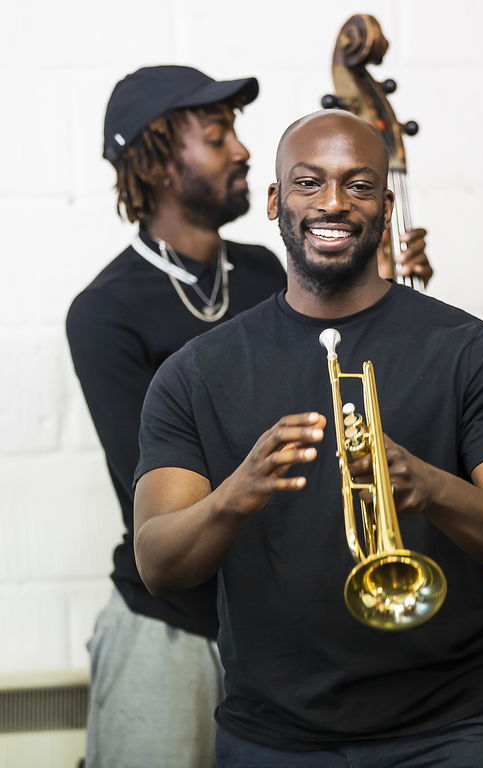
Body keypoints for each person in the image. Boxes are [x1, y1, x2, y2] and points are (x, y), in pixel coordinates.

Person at [133, 109, 483, 767]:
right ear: (275, 199)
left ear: (386, 207)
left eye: (358, 185)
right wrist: (233, 496)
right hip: (270, 738)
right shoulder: (194, 374)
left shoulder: (474, 354)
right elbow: (158, 565)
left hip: (453, 730)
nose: (332, 202)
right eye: (308, 182)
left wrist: (434, 488)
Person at [68, 64, 432, 767]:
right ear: (157, 159)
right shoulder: (104, 312)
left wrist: (379, 294)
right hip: (173, 628)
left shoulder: (271, 272)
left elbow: (340, 411)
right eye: (217, 135)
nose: (241, 149)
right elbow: (168, 486)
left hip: (282, 629)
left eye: (235, 130)